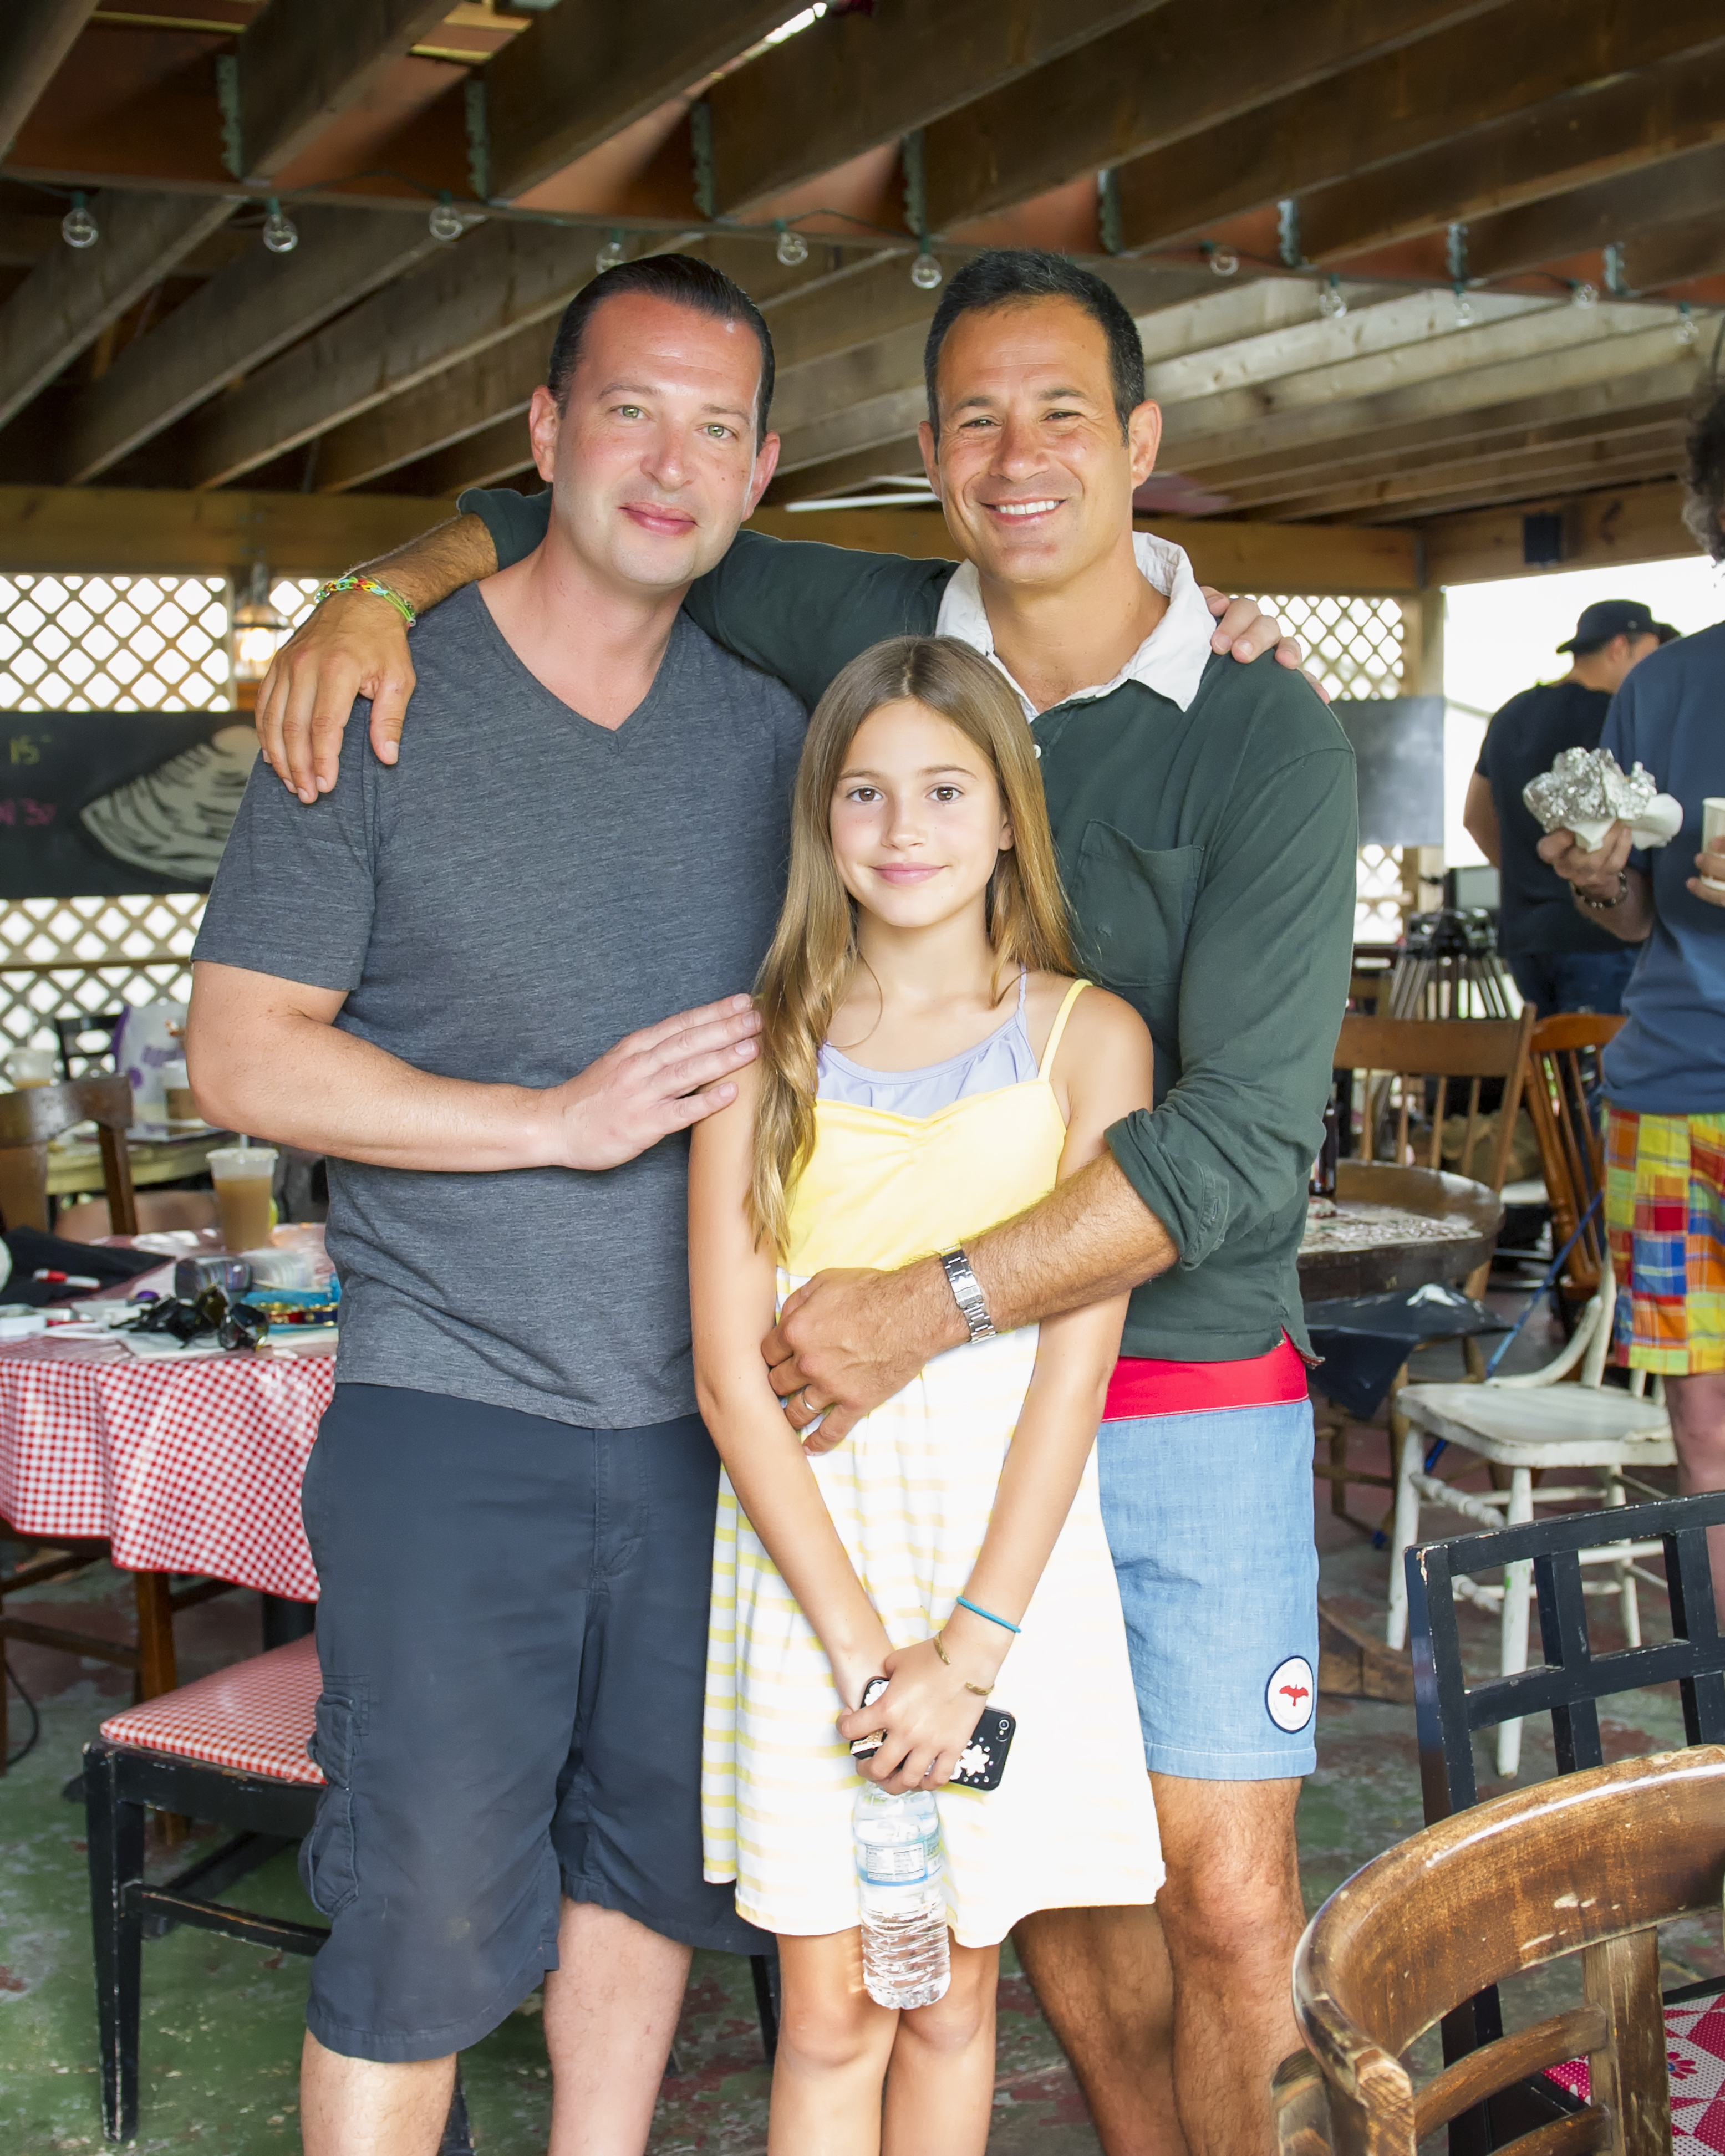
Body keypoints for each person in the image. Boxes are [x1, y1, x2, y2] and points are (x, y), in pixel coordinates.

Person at [254, 247, 1356, 2156]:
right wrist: (368, 589)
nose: (1021, 460)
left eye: (1066, 416)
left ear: (1145, 443)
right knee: (1009, 1919)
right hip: (829, 1438)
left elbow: (1239, 1147)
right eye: (978, 421)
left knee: (1215, 1891)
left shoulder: (1255, 725)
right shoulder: (855, 618)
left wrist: (922, 1305)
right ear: (924, 454)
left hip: (1149, 1373)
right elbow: (569, 509)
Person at [186, 254, 808, 2156]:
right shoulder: (372, 702)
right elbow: (243, 1057)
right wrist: (552, 1122)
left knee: (646, 1877)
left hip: (709, 1425)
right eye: (630, 408)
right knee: (422, 1917)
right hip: (455, 1417)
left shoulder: (776, 742)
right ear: (543, 434)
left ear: (761, 471)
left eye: (715, 428)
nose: (668, 460)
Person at [692, 634, 1161, 2155]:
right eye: (865, 793)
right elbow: (725, 1372)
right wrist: (855, 1648)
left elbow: (1069, 1382)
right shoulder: (759, 1054)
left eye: (944, 790)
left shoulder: (1087, 1039)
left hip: (995, 1575)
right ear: (819, 822)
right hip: (807, 1569)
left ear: (1009, 814)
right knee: (830, 2010)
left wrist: (966, 1652)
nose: (903, 831)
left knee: (952, 1999)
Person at [1536, 388, 1725, 1617]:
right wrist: (1598, 882)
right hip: (1673, 1099)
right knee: (1705, 1452)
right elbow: (1641, 921)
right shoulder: (1663, 691)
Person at [1463, 598, 1674, 1015]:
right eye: (1651, 654)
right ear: (1619, 647)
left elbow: (1474, 817)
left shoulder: (1510, 713)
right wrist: (1587, 876)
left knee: (1552, 1071)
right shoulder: (1615, 716)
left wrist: (1530, 876)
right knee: (1598, 1073)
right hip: (1600, 932)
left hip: (1525, 935)